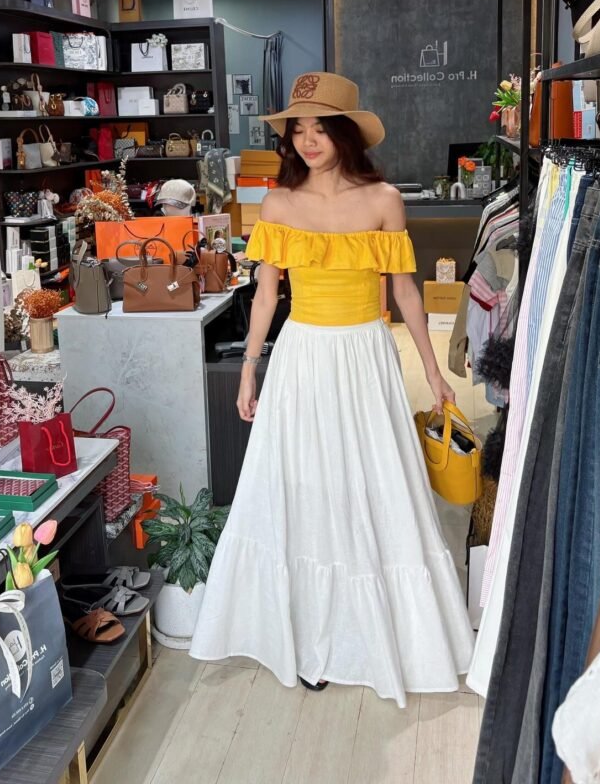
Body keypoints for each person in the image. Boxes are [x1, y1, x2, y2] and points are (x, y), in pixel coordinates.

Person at [190, 72, 474, 707]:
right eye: (299, 129)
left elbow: (406, 292)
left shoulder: (384, 199)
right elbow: (267, 295)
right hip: (302, 356)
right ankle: (313, 636)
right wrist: (249, 366)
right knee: (306, 486)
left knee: (374, 481)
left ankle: (385, 634)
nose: (308, 140)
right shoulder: (277, 205)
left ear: (346, 133)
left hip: (366, 354)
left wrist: (433, 371)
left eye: (320, 128)